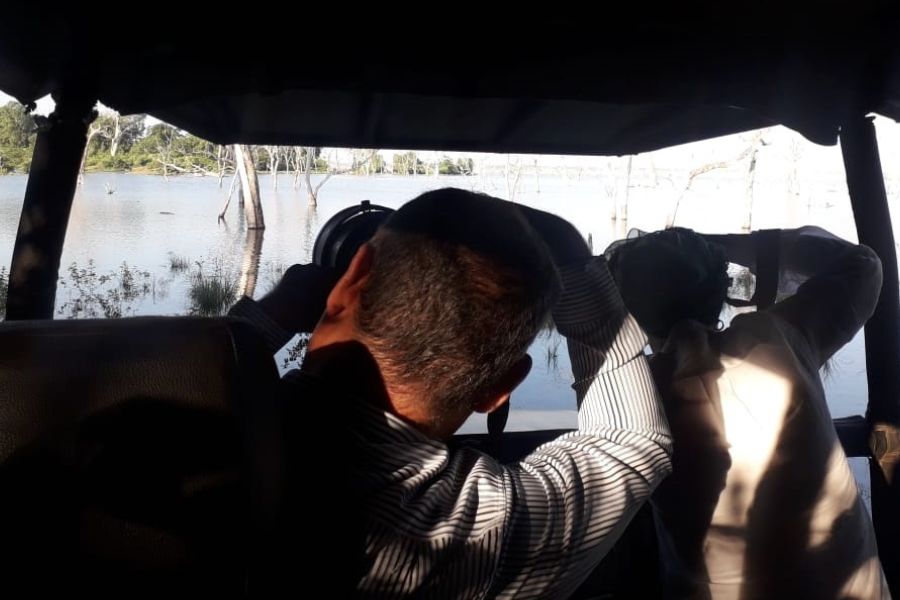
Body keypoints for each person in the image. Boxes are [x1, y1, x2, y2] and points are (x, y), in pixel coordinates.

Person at [230, 188, 672, 597]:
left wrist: (257, 325)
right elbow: (629, 443)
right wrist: (568, 248)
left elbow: (176, 369)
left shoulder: (190, 429)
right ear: (501, 389)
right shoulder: (483, 530)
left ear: (351, 278)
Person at [607, 225, 889, 599]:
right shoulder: (776, 340)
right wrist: (748, 245)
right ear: (718, 290)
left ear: (634, 308)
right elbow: (864, 266)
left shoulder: (629, 393)